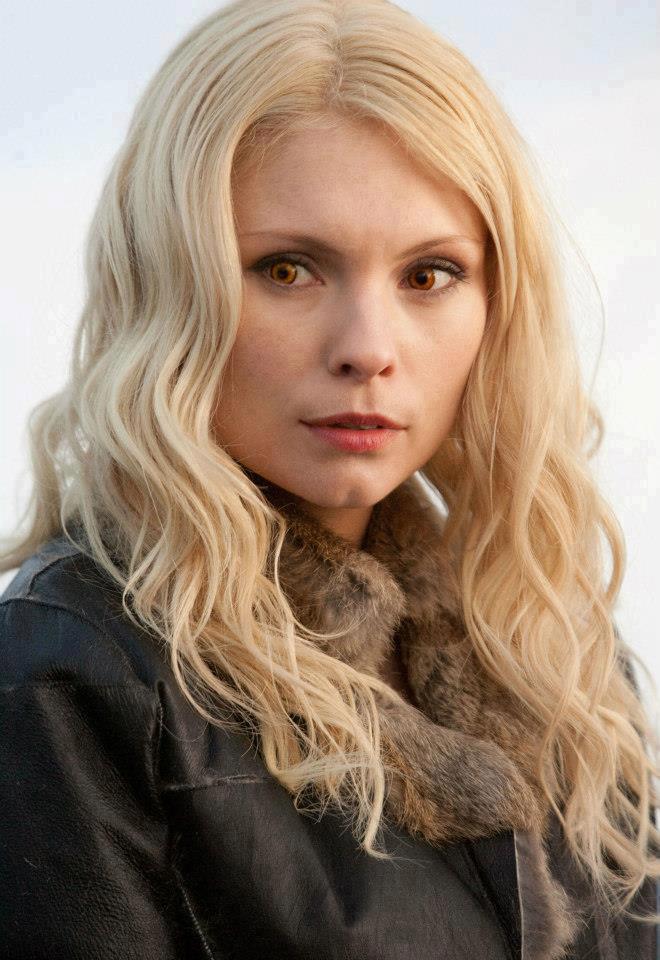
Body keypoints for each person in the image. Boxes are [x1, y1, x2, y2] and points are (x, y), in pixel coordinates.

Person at [0, 0, 658, 956]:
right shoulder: (75, 667)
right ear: (172, 286)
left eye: (429, 275)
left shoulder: (553, 647)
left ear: (498, 304)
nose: (368, 348)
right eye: (288, 269)